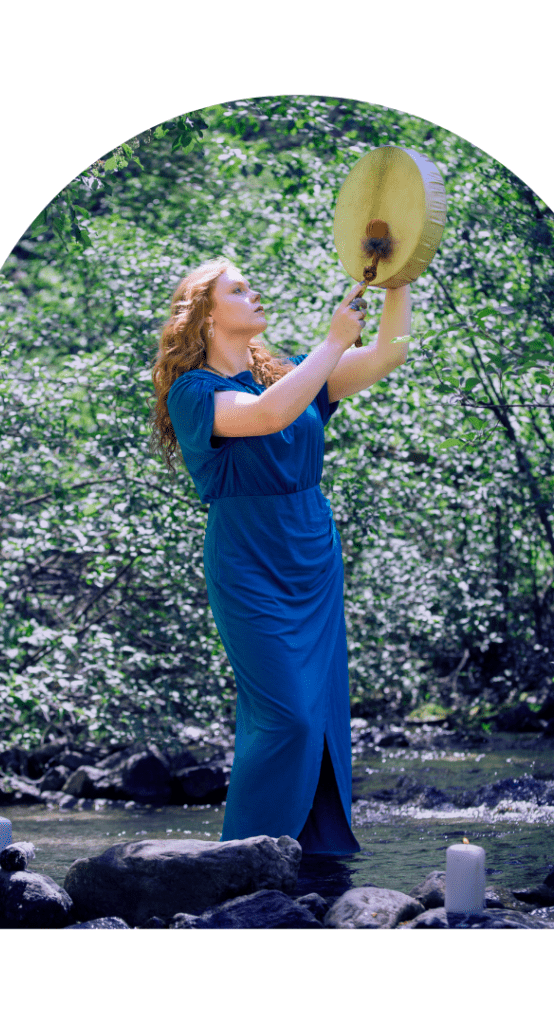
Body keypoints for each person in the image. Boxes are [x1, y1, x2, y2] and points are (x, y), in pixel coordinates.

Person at [151, 257, 411, 856]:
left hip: (312, 552)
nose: (254, 293)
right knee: (286, 716)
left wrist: (399, 277)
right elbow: (268, 416)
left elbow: (387, 354)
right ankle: (244, 857)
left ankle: (317, 865)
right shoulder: (194, 391)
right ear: (206, 316)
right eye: (237, 290)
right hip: (248, 559)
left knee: (319, 717)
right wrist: (330, 343)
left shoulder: (287, 373)